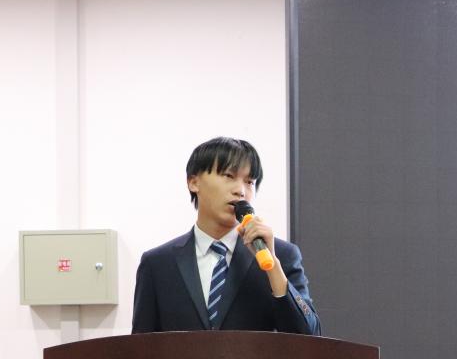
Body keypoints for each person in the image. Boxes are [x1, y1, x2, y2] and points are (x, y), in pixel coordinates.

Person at [131, 137, 321, 335]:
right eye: (229, 176)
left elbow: (310, 338)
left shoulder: (281, 255)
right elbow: (141, 347)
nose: (240, 191)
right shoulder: (157, 264)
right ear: (194, 182)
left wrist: (273, 268)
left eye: (249, 182)